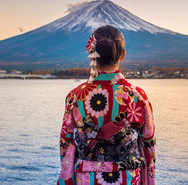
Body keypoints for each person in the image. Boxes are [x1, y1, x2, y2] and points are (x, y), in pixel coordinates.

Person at [57, 25, 156, 185]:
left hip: (86, 178)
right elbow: (149, 144)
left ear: (92, 54)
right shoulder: (137, 96)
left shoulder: (75, 96)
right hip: (127, 177)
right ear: (123, 55)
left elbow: (65, 143)